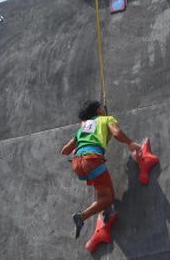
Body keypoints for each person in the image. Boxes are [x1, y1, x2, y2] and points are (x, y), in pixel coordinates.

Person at [60, 100, 142, 239]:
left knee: (102, 192)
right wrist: (130, 143)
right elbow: (116, 133)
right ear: (99, 110)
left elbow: (65, 151)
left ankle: (99, 212)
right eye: (103, 108)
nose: (105, 110)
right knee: (108, 198)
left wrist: (81, 146)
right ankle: (81, 216)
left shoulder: (83, 127)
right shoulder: (106, 119)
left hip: (77, 163)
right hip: (92, 160)